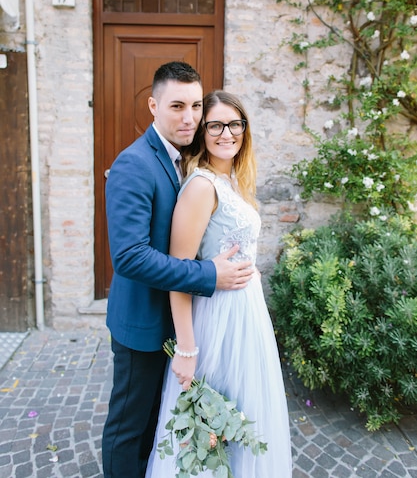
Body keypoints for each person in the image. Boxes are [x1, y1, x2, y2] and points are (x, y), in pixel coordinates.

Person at [102, 64, 254, 478]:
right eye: (176, 106)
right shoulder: (134, 164)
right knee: (129, 428)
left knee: (156, 423)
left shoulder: (183, 158)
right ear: (153, 105)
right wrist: (208, 275)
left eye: (194, 106)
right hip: (141, 323)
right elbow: (130, 256)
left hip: (176, 320)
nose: (189, 117)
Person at [145, 90, 293, 478]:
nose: (227, 133)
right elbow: (177, 273)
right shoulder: (201, 187)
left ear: (245, 128)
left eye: (235, 124)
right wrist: (187, 349)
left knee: (244, 415)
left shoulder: (232, 182)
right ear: (203, 132)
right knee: (211, 425)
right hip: (217, 318)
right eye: (216, 125)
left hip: (248, 316)